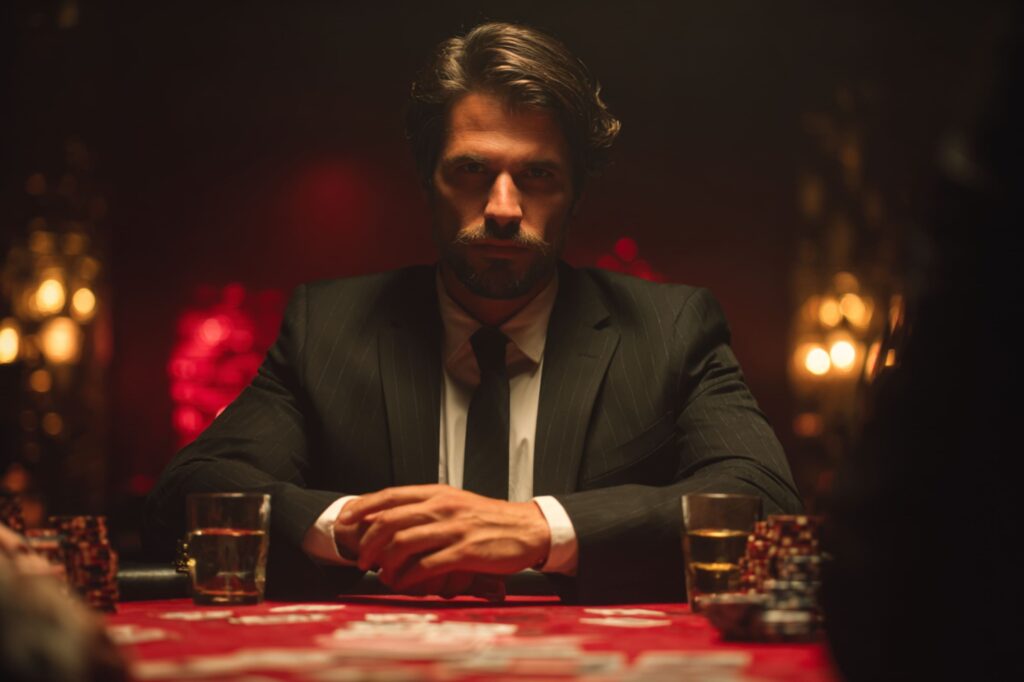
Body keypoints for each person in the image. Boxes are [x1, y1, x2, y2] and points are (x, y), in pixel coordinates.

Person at [145, 22, 802, 603]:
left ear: (576, 192)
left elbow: (764, 504)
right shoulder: (330, 326)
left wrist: (538, 528)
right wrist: (359, 528)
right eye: (471, 170)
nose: (504, 208)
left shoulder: (670, 329)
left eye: (538, 176)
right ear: (425, 179)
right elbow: (194, 489)